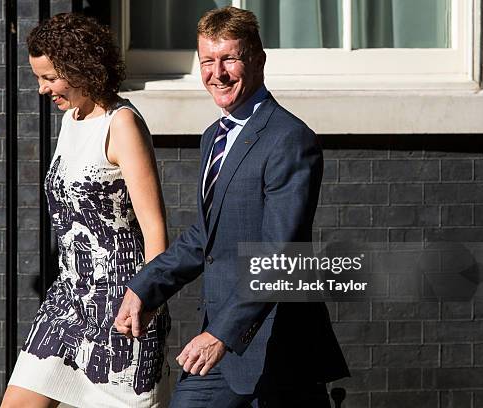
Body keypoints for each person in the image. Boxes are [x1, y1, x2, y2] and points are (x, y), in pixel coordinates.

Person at [115, 6, 349, 408]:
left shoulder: (289, 139)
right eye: (208, 60)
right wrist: (146, 287)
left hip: (278, 346)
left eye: (229, 58)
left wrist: (221, 334)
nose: (217, 73)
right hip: (225, 345)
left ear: (257, 59)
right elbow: (208, 235)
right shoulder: (214, 137)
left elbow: (280, 254)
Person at [2, 13, 171, 408]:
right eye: (38, 78)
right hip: (66, 302)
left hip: (122, 305)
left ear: (81, 67)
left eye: (49, 77)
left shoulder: (122, 124)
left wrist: (146, 301)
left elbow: (155, 232)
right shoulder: (70, 119)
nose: (42, 89)